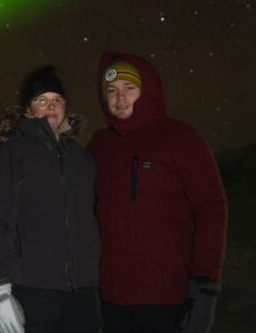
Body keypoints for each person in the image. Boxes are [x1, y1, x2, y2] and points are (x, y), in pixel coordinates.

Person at [89, 52, 227, 333]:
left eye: (130, 88)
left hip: (166, 298)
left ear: (147, 89)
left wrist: (205, 286)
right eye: (112, 91)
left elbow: (211, 210)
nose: (120, 98)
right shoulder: (99, 145)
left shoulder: (182, 139)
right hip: (109, 299)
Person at [0, 65, 102, 333]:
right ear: (27, 109)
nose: (50, 106)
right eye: (41, 100)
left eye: (57, 100)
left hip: (82, 291)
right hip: (32, 289)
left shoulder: (81, 158)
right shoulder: (7, 155)